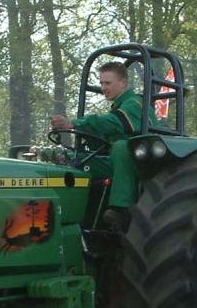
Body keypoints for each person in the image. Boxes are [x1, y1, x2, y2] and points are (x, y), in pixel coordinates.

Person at [50, 61, 153, 232]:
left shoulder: (135, 104)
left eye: (108, 83)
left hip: (141, 162)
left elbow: (114, 123)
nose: (103, 88)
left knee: (121, 146)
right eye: (101, 83)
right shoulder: (119, 107)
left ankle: (121, 210)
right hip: (116, 162)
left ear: (124, 83)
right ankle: (74, 221)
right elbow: (103, 133)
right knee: (74, 160)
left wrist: (73, 124)